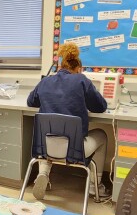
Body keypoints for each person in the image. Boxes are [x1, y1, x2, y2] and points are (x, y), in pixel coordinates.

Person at [26, 43, 110, 200]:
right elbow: (100, 107)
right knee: (102, 135)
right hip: (74, 150)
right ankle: (95, 185)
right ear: (78, 68)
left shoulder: (46, 81)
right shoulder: (81, 80)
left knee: (51, 136)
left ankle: (43, 173)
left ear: (60, 66)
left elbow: (31, 102)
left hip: (46, 147)